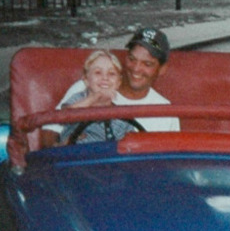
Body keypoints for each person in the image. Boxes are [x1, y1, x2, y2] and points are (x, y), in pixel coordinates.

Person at [41, 27, 179, 148]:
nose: (136, 69)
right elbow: (51, 129)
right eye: (132, 59)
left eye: (147, 64)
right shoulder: (88, 86)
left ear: (162, 69)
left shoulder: (166, 111)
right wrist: (59, 148)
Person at [58, 50, 137, 144]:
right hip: (76, 154)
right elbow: (63, 118)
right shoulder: (79, 99)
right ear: (86, 79)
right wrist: (94, 98)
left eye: (111, 74)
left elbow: (132, 144)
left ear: (119, 82)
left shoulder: (123, 117)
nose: (105, 78)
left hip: (107, 156)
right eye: (98, 72)